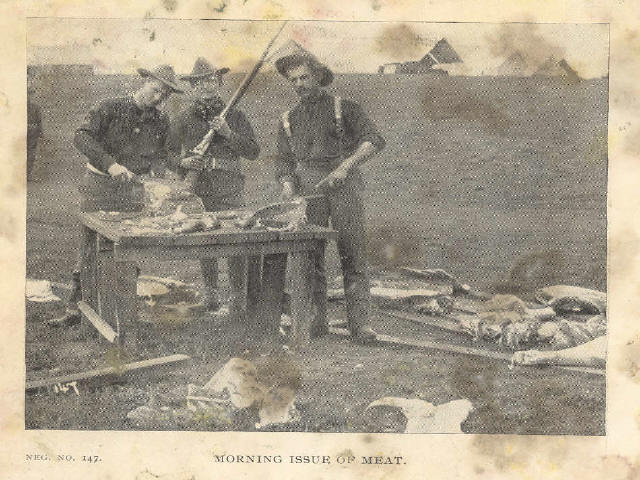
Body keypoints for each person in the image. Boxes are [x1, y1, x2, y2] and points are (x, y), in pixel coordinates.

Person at [47, 64, 182, 327]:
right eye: (155, 90)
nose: (158, 98)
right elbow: (81, 137)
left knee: (127, 247)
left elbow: (160, 154)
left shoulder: (160, 120)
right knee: (89, 249)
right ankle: (75, 310)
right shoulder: (109, 107)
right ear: (144, 81)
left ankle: (120, 310)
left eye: (164, 95)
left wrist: (161, 172)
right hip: (98, 187)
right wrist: (111, 165)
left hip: (131, 192)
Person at [274, 41, 386, 343]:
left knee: (353, 253)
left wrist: (345, 166)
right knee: (311, 255)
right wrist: (288, 185)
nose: (299, 84)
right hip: (308, 188)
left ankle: (360, 325)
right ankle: (317, 321)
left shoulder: (345, 108)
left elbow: (374, 140)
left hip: (344, 184)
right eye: (293, 80)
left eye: (304, 77)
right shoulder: (288, 118)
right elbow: (283, 161)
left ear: (318, 76)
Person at [168, 58, 260, 314]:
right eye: (199, 82)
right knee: (205, 241)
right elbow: (167, 153)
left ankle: (238, 299)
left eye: (210, 80)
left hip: (230, 188)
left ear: (218, 83)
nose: (205, 86)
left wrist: (228, 133)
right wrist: (183, 162)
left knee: (237, 242)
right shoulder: (184, 118)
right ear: (192, 87)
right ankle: (211, 296)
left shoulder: (235, 115)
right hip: (199, 189)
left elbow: (253, 151)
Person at [27, 71, 42, 180]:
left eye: (29, 94)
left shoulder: (35, 107)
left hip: (32, 130)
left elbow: (39, 120)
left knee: (31, 153)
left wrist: (40, 131)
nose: (28, 96)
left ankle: (27, 174)